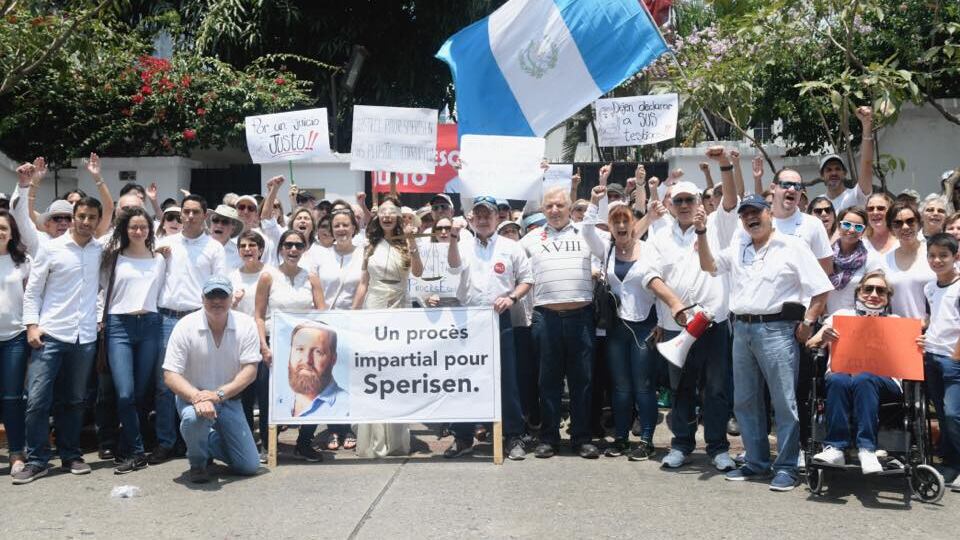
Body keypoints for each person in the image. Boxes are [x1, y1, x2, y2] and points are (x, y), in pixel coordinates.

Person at [697, 193, 833, 492]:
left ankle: (786, 467)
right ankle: (756, 462)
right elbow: (709, 266)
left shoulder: (792, 246)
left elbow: (822, 288)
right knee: (745, 400)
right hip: (741, 329)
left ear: (769, 213)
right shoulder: (739, 245)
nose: (750, 218)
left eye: (756, 212)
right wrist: (702, 232)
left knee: (783, 402)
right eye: (745, 214)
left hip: (777, 330)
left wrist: (809, 322)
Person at [643, 147, 741, 470]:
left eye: (690, 200)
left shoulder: (717, 225)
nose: (684, 206)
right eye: (679, 201)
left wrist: (725, 166)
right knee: (681, 389)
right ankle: (682, 445)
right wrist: (674, 304)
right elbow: (650, 276)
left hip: (714, 324)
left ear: (700, 202)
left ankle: (717, 447)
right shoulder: (659, 235)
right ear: (670, 205)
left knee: (716, 389)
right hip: (677, 327)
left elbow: (730, 201)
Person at [14, 197, 104, 484]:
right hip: (50, 334)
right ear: (74, 217)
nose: (86, 222)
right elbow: (33, 291)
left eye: (92, 217)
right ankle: (38, 460)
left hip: (84, 337)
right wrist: (31, 325)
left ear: (98, 220)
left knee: (74, 401)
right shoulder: (51, 248)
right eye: (82, 216)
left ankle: (70, 455)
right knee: (37, 400)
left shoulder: (100, 251)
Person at [443, 196, 533, 460]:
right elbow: (453, 267)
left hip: (499, 319)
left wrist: (512, 298)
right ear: (471, 218)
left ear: (497, 218)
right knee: (465, 378)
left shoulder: (511, 246)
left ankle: (513, 436)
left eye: (488, 215)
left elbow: (527, 279)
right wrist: (453, 239)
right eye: (479, 215)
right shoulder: (463, 244)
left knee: (506, 379)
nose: (483, 220)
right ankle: (463, 436)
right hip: (468, 320)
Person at [581, 178, 661, 461]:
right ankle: (622, 439)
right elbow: (587, 230)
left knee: (643, 386)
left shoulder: (649, 249)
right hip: (615, 328)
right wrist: (594, 200)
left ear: (633, 224)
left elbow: (660, 286)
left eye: (625, 220)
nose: (621, 225)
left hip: (644, 325)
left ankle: (647, 440)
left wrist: (662, 322)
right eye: (615, 222)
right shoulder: (606, 249)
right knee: (621, 388)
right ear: (611, 227)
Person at [520, 186, 599, 459]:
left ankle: (582, 438)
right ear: (543, 210)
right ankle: (549, 438)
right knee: (548, 382)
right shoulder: (530, 239)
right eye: (549, 206)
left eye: (560, 205)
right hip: (546, 318)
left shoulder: (587, 233)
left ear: (570, 208)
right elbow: (514, 269)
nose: (554, 210)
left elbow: (609, 254)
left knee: (582, 381)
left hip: (581, 317)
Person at [162, 275, 261, 484]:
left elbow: (250, 371)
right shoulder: (185, 325)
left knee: (249, 466)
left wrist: (217, 395)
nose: (216, 301)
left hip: (228, 399)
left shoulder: (246, 324)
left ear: (231, 298)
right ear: (202, 298)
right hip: (193, 399)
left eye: (222, 296)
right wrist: (197, 397)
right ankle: (198, 463)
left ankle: (206, 439)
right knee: (193, 418)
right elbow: (170, 374)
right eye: (211, 296)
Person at [807, 271, 909, 474]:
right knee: (838, 379)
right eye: (868, 289)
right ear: (858, 292)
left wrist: (918, 344)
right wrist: (824, 337)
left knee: (864, 378)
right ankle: (835, 448)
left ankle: (867, 449)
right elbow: (811, 343)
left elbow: (909, 355)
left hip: (884, 383)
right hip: (842, 378)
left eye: (880, 291)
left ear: (888, 297)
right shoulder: (842, 316)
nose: (874, 294)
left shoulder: (896, 321)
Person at [151, 194, 226, 465]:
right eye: (186, 211)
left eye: (196, 212)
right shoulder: (165, 244)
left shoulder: (214, 248)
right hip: (167, 318)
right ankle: (166, 441)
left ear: (205, 215)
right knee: (165, 384)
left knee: (200, 383)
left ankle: (199, 442)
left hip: (199, 318)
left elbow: (220, 284)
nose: (190, 216)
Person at [352, 198, 423, 458]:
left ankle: (395, 437)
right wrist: (353, 314)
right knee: (374, 367)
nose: (387, 216)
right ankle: (372, 438)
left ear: (399, 217)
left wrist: (411, 241)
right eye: (383, 212)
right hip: (374, 304)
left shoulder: (407, 242)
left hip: (400, 305)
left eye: (392, 212)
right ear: (377, 217)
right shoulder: (369, 244)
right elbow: (363, 282)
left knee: (395, 368)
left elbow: (418, 272)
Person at [99, 207, 166, 474]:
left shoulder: (160, 259)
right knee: (124, 392)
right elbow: (103, 289)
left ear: (150, 230)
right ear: (124, 230)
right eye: (133, 227)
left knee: (140, 393)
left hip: (150, 324)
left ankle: (130, 447)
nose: (138, 231)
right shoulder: (112, 257)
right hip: (119, 326)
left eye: (143, 227)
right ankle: (137, 451)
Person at [254, 229, 326, 461]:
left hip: (306, 346)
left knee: (311, 393)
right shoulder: (268, 276)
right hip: (274, 343)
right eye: (288, 245)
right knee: (269, 395)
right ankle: (268, 443)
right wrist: (263, 346)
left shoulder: (312, 278)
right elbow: (258, 315)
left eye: (298, 245)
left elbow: (323, 313)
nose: (293, 249)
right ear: (281, 248)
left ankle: (304, 443)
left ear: (304, 249)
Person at [312, 208, 363, 451]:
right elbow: (315, 286)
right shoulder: (320, 255)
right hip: (327, 323)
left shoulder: (363, 253)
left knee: (350, 377)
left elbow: (364, 285)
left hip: (354, 322)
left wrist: (352, 315)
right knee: (330, 376)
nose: (341, 229)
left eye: (345, 225)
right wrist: (326, 317)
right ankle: (333, 427)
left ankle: (349, 426)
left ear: (354, 228)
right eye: (337, 226)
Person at [921, 233, 960, 490]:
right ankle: (951, 463)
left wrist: (955, 356)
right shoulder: (929, 287)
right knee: (943, 415)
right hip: (931, 356)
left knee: (954, 413)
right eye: (932, 255)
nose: (937, 260)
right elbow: (932, 319)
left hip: (953, 360)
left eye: (943, 256)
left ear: (955, 256)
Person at [0, 209, 30, 476]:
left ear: (11, 233)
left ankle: (17, 452)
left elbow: (32, 297)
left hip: (15, 338)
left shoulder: (23, 261)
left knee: (12, 398)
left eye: (3, 228)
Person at [879, 202, 935, 318]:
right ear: (891, 229)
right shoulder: (884, 260)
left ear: (919, 224)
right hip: (900, 326)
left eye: (910, 221)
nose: (905, 227)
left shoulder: (935, 254)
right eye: (897, 223)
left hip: (934, 326)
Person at [825, 207, 882, 316]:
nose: (851, 230)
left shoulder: (871, 259)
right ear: (838, 226)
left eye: (858, 227)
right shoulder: (826, 256)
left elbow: (874, 295)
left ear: (863, 231)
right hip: (825, 320)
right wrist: (824, 316)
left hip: (856, 320)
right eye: (846, 224)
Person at [818, 106, 875, 213]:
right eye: (828, 170)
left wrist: (866, 126)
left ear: (845, 173)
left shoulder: (856, 195)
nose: (833, 173)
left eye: (838, 169)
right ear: (822, 175)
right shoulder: (817, 204)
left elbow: (867, 164)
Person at [286, 323, 348, 417]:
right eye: (300, 349)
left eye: (318, 352)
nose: (307, 360)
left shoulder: (346, 408)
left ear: (333, 359)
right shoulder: (277, 402)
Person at [207, 204, 244, 271]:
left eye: (225, 222)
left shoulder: (240, 254)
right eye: (215, 220)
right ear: (210, 224)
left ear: (233, 229)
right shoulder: (199, 246)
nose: (219, 225)